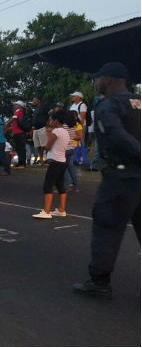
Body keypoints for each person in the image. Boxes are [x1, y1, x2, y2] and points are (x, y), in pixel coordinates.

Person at [73, 62, 140, 298]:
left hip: (121, 176)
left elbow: (116, 134)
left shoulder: (108, 105)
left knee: (107, 226)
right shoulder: (138, 102)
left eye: (97, 79)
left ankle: (99, 281)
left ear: (108, 80)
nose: (95, 83)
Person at [33, 111, 70, 219]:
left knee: (48, 185)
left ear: (56, 120)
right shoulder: (65, 132)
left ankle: (47, 211)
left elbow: (48, 147)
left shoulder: (56, 131)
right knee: (60, 186)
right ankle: (61, 209)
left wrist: (49, 135)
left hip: (55, 161)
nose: (50, 122)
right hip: (62, 161)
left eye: (51, 119)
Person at [64, 111, 83, 193]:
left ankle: (66, 186)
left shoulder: (64, 126)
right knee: (72, 168)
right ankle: (76, 187)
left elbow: (80, 137)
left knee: (65, 169)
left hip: (66, 148)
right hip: (72, 148)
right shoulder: (74, 125)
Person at [31, 96, 50, 164]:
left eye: (34, 100)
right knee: (37, 145)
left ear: (38, 100)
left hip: (42, 127)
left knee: (44, 145)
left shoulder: (44, 107)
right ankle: (41, 158)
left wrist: (48, 123)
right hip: (36, 129)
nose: (33, 101)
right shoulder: (35, 109)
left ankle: (47, 158)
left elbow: (50, 113)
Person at [10, 100, 27, 169]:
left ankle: (22, 164)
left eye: (16, 105)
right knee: (20, 148)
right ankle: (21, 163)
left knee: (20, 149)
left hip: (18, 132)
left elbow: (13, 119)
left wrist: (5, 126)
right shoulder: (20, 112)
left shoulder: (18, 111)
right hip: (19, 132)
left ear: (20, 106)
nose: (14, 106)